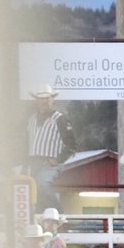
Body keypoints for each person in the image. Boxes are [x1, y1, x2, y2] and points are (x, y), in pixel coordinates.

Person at [24, 84, 77, 213]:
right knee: (31, 189)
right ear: (37, 100)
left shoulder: (60, 118)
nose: (45, 101)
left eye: (48, 98)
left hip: (49, 162)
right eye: (42, 98)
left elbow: (71, 145)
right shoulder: (31, 119)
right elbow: (27, 142)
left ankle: (58, 215)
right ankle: (41, 216)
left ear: (52, 100)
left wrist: (58, 159)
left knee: (41, 185)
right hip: (33, 162)